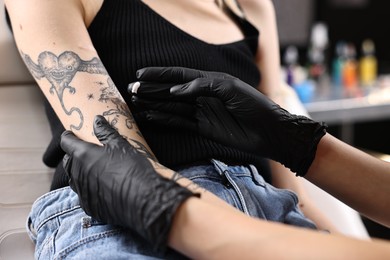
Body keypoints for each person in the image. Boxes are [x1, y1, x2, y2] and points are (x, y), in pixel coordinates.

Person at [5, 0, 337, 258]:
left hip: (263, 204)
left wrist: (332, 239)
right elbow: (129, 171)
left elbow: (292, 179)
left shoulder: (249, 6)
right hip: (121, 218)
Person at [60, 110, 390, 259]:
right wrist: (302, 146)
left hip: (245, 197)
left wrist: (173, 211)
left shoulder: (253, 8)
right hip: (114, 222)